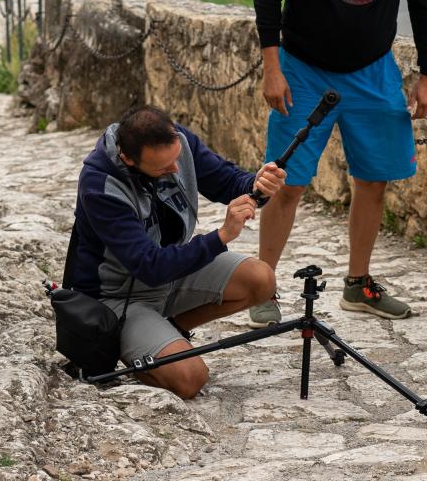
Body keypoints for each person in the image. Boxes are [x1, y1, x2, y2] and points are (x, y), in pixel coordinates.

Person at [249, 0, 427, 326]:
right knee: (285, 181)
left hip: (373, 68)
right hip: (303, 67)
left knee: (373, 179)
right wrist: (272, 67)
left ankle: (358, 285)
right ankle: (261, 284)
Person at [69, 104, 286, 399]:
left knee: (262, 279)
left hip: (172, 274)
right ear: (128, 159)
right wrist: (222, 235)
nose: (175, 168)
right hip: (120, 297)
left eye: (176, 159)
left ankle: (168, 329)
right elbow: (150, 266)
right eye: (163, 168)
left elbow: (228, 182)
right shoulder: (100, 185)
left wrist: (258, 184)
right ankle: (134, 348)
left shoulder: (176, 141)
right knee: (190, 380)